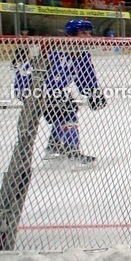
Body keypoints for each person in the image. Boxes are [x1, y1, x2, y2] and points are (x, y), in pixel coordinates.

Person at [39, 19, 107, 163]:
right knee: (67, 113)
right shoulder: (59, 51)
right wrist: (52, 95)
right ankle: (73, 153)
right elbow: (53, 76)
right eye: (83, 33)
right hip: (40, 90)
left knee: (64, 112)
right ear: (71, 35)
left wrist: (93, 92)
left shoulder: (82, 54)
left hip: (56, 91)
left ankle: (54, 147)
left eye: (89, 33)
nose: (88, 37)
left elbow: (86, 76)